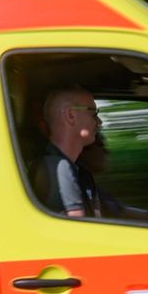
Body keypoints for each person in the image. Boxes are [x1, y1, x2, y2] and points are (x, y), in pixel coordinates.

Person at [31, 87, 102, 217]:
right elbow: (80, 231)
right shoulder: (57, 168)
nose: (99, 122)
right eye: (94, 114)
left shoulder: (83, 174)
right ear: (71, 116)